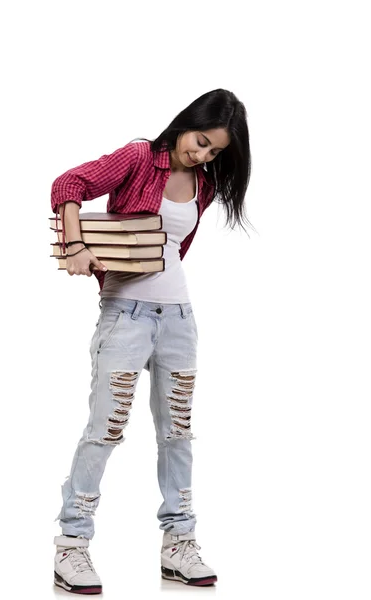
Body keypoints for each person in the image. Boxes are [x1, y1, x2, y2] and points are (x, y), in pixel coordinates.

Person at [51, 88, 252, 594]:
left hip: (180, 318)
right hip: (126, 316)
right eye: (201, 142)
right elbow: (69, 182)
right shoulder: (141, 157)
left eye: (214, 152)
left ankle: (178, 543)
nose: (202, 155)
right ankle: (72, 546)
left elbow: (173, 249)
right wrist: (75, 244)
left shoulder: (203, 185)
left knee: (177, 433)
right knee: (106, 429)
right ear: (187, 123)